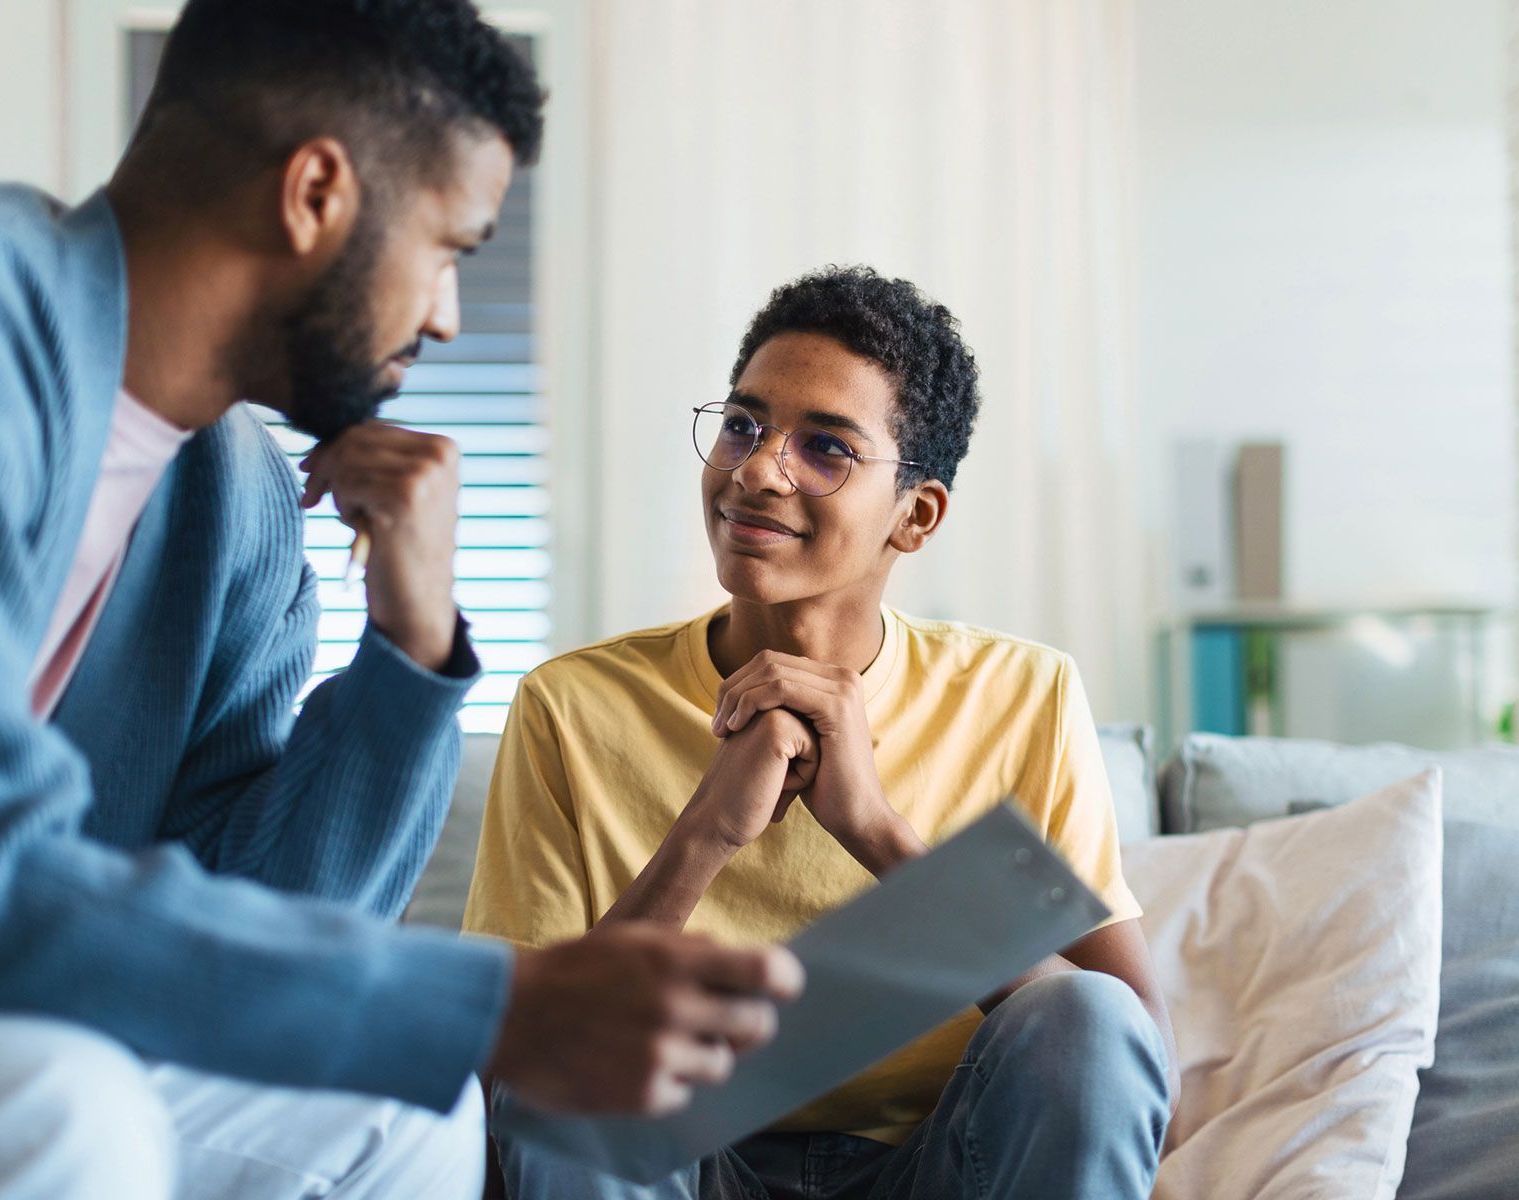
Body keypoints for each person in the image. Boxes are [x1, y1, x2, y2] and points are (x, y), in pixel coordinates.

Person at [0, 2, 800, 1197]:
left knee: (404, 1112)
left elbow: (269, 921)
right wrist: (495, 1003)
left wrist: (410, 646)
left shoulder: (236, 494)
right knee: (54, 1105)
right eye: (450, 247)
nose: (448, 314)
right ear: (314, 195)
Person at [467, 266, 1181, 1199]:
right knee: (573, 1063)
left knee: (1085, 1012)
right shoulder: (571, 705)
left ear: (914, 516)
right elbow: (518, 1070)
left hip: (941, 1168)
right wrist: (705, 835)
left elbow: (1133, 1064)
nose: (759, 470)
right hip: (678, 1170)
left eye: (827, 448)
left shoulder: (1023, 695)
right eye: (743, 425)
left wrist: (876, 828)